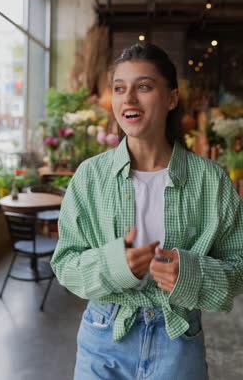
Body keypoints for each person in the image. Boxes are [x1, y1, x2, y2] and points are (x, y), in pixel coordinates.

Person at [51, 43, 243, 380]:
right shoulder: (90, 176)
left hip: (178, 339)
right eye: (120, 88)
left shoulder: (210, 181)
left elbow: (240, 266)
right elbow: (65, 264)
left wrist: (193, 274)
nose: (128, 99)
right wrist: (114, 265)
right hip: (103, 336)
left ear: (171, 98)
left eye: (143, 87)